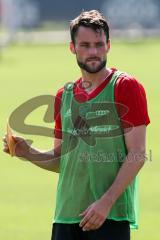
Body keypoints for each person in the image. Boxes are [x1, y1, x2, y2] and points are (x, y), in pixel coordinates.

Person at [3, 10, 150, 240]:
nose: (93, 52)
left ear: (108, 46)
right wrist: (27, 152)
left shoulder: (125, 87)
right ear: (72, 47)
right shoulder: (64, 96)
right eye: (85, 45)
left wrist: (106, 203)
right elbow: (63, 160)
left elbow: (138, 154)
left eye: (99, 45)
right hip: (66, 216)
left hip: (109, 216)